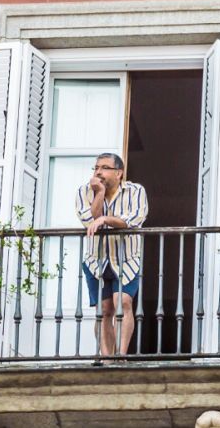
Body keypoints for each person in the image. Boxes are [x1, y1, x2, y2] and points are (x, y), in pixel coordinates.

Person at [76, 152, 148, 356]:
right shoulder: (84, 192)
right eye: (96, 167)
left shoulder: (136, 191)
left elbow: (134, 219)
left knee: (123, 302)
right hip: (96, 260)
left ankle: (121, 356)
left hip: (127, 259)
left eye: (104, 168)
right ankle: (107, 360)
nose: (98, 172)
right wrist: (99, 194)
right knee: (104, 309)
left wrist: (106, 220)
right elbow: (91, 220)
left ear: (119, 173)